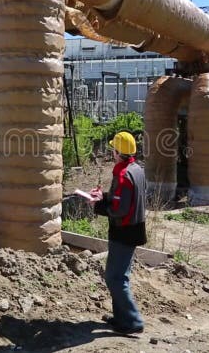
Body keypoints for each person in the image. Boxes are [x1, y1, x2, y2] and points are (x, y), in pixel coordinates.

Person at [89, 131, 147, 335]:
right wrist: (104, 197)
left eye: (113, 148)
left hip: (123, 230)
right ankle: (121, 318)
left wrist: (98, 205)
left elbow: (119, 209)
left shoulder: (122, 174)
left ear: (117, 152)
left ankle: (133, 321)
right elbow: (123, 199)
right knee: (119, 275)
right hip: (134, 227)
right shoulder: (136, 169)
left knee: (115, 278)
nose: (111, 151)